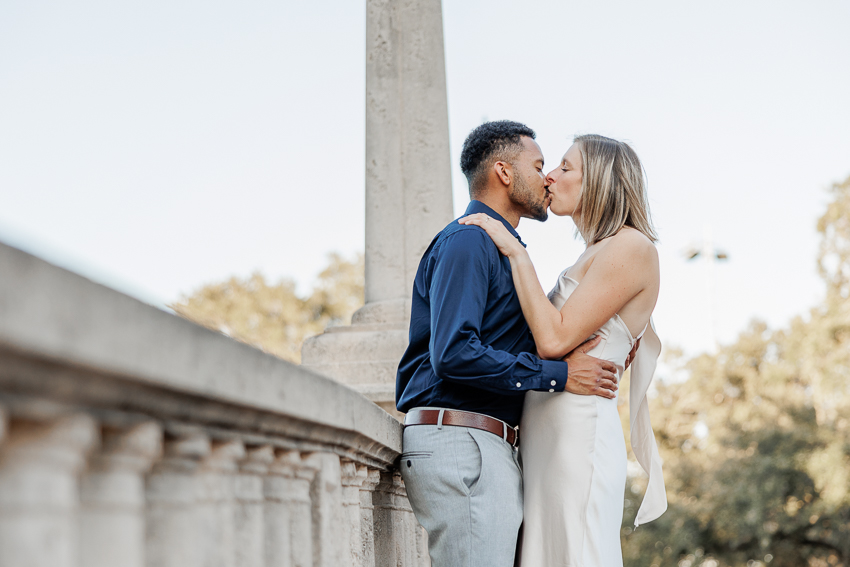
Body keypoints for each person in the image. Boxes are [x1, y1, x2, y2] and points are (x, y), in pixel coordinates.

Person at [395, 121, 625, 567]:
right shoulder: (470, 240)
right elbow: (454, 353)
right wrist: (561, 376)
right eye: (539, 166)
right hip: (463, 441)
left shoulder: (497, 246)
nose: (548, 178)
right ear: (503, 172)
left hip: (480, 444)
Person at [458, 134, 667, 566]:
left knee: (577, 550)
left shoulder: (632, 246)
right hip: (547, 434)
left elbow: (552, 340)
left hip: (578, 431)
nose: (551, 176)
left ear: (601, 182)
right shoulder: (597, 252)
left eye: (566, 167)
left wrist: (515, 252)